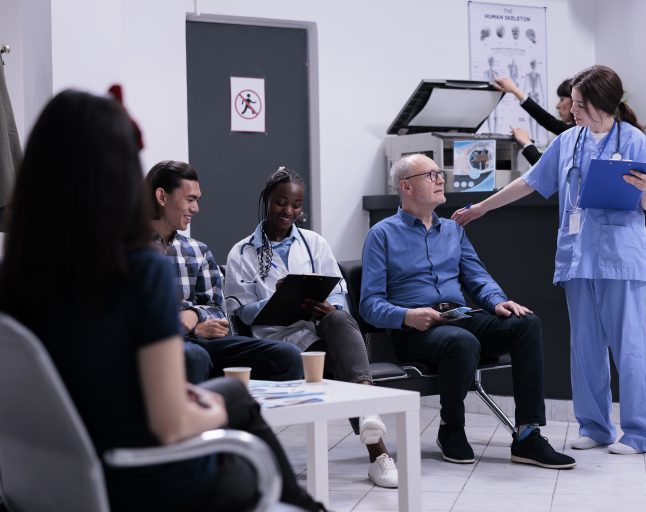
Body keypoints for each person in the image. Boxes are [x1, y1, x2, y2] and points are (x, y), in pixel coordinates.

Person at [0, 89, 322, 511]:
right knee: (237, 408)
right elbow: (171, 426)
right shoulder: (137, 270)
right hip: (141, 479)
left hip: (53, 484)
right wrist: (216, 409)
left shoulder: (15, 276)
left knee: (229, 388)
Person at [452, 65, 646, 455]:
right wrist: (482, 208)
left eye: (580, 104)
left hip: (621, 260)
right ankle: (595, 427)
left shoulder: (635, 141)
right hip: (577, 259)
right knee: (585, 349)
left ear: (603, 104)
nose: (573, 110)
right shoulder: (569, 141)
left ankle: (641, 434)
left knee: (632, 349)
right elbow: (529, 182)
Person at [359, 154, 576, 470]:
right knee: (462, 341)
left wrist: (498, 302)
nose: (440, 179)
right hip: (415, 331)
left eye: (439, 173)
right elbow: (369, 304)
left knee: (525, 323)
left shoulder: (453, 231)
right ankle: (451, 428)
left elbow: (477, 277)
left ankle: (528, 434)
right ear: (406, 187)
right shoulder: (382, 234)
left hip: (458, 317)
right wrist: (407, 316)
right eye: (430, 175)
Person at [224, 167, 399, 488]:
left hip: (317, 333)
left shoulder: (314, 243)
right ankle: (376, 444)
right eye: (281, 202)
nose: (289, 211)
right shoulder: (242, 252)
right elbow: (242, 313)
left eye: (296, 204)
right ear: (266, 200)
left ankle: (371, 423)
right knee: (345, 363)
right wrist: (276, 300)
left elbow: (339, 293)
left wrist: (329, 307)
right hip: (276, 344)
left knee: (339, 318)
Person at [146, 160, 303, 385]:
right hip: (156, 345)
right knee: (194, 357)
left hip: (202, 342)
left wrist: (194, 316)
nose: (196, 208)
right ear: (162, 197)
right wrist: (188, 327)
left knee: (288, 356)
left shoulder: (198, 251)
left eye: (197, 200)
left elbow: (218, 311)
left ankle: (243, 407)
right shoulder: (127, 250)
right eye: (189, 199)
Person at [494, 76, 574, 165]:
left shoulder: (580, 134)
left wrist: (526, 142)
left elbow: (546, 168)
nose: (557, 106)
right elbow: (548, 120)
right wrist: (515, 91)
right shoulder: (574, 131)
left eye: (562, 99)